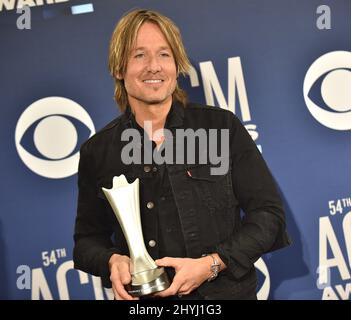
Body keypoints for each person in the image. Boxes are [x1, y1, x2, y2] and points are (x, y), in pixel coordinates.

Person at [73, 8, 290, 300]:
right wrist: (112, 261)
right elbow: (87, 240)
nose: (154, 66)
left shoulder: (221, 128)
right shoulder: (97, 152)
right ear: (118, 68)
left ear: (177, 65)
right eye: (139, 55)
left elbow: (268, 216)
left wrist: (212, 264)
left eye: (164, 54)